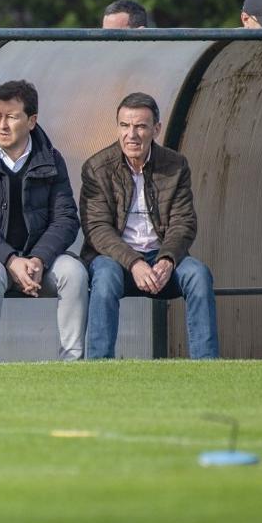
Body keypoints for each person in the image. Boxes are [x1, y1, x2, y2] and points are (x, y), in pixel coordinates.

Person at [0, 80, 88, 362]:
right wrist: (10, 259)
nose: (2, 125)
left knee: (74, 272)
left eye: (11, 117)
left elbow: (66, 219)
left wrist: (38, 259)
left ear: (32, 121)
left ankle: (73, 363)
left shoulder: (51, 159)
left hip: (36, 263)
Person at [79, 92, 219, 359]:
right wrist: (134, 262)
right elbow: (97, 229)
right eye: (124, 126)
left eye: (141, 126)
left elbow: (184, 222)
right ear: (117, 127)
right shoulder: (96, 167)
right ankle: (98, 364)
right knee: (105, 277)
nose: (131, 134)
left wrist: (167, 260)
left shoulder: (176, 165)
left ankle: (207, 364)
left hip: (162, 257)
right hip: (115, 259)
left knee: (198, 275)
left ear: (156, 129)